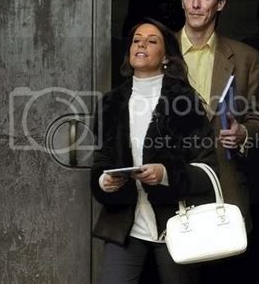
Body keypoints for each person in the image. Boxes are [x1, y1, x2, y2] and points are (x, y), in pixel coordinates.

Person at [90, 18, 217, 284]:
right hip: (124, 224)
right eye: (137, 39)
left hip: (177, 223)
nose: (141, 44)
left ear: (166, 56)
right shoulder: (110, 103)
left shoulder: (185, 102)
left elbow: (207, 170)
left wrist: (166, 174)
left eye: (152, 40)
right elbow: (101, 161)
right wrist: (105, 181)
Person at [177, 0, 259, 282]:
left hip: (226, 189)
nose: (196, 4)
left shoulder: (245, 58)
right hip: (173, 189)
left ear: (221, 4)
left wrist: (244, 132)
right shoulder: (160, 51)